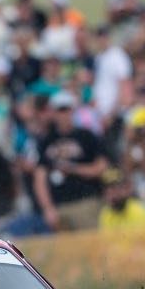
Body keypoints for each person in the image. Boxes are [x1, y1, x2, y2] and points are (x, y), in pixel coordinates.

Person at [32, 91, 109, 232]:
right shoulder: (46, 141)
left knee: (92, 245)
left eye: (66, 109)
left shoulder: (86, 136)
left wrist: (73, 169)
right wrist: (48, 208)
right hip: (59, 206)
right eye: (59, 110)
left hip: (86, 202)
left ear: (72, 110)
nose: (63, 114)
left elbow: (101, 167)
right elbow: (40, 178)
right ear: (53, 113)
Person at [98, 168, 145, 232]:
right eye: (108, 191)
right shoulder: (106, 214)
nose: (112, 195)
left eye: (115, 189)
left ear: (126, 189)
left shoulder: (139, 210)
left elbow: (143, 239)